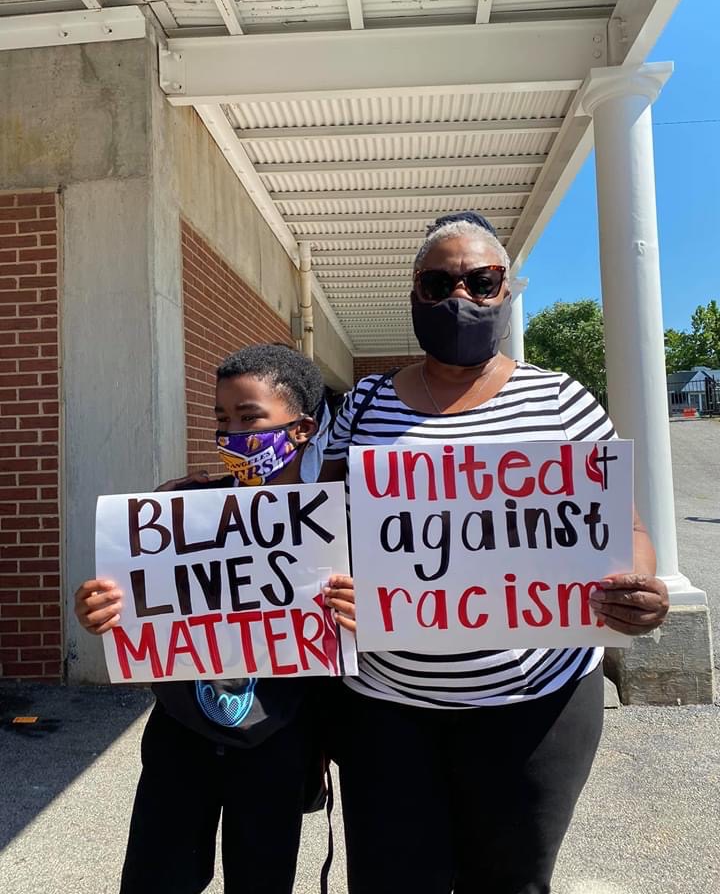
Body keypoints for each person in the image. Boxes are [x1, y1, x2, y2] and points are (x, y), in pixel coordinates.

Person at [319, 213, 669, 894]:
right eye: (439, 281)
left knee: (511, 884)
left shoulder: (561, 400)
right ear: (414, 293)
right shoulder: (362, 404)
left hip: (537, 706)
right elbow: (314, 524)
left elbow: (623, 528)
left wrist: (641, 585)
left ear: (507, 291)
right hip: (385, 708)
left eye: (482, 282)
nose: (461, 297)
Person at [74, 344, 355, 894]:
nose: (231, 435)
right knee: (158, 877)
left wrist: (359, 608)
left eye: (249, 418)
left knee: (262, 877)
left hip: (281, 734)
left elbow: (372, 622)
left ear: (301, 429)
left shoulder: (336, 524)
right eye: (222, 420)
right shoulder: (177, 508)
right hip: (181, 734)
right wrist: (100, 609)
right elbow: (135, 603)